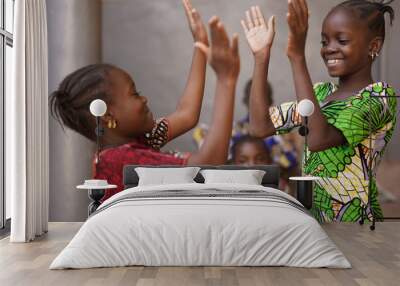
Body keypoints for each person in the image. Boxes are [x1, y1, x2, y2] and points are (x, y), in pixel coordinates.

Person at [50, 0, 240, 202]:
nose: (144, 99)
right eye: (134, 93)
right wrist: (226, 80)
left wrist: (200, 45)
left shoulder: (138, 142)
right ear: (107, 115)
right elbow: (209, 163)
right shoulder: (118, 159)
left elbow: (187, 114)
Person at [242, 1, 397, 222]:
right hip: (316, 224)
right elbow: (259, 127)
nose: (329, 48)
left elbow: (318, 139)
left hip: (356, 226)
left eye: (341, 40)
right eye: (325, 41)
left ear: (373, 47)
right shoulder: (320, 94)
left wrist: (297, 58)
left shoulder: (379, 97)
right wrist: (261, 57)